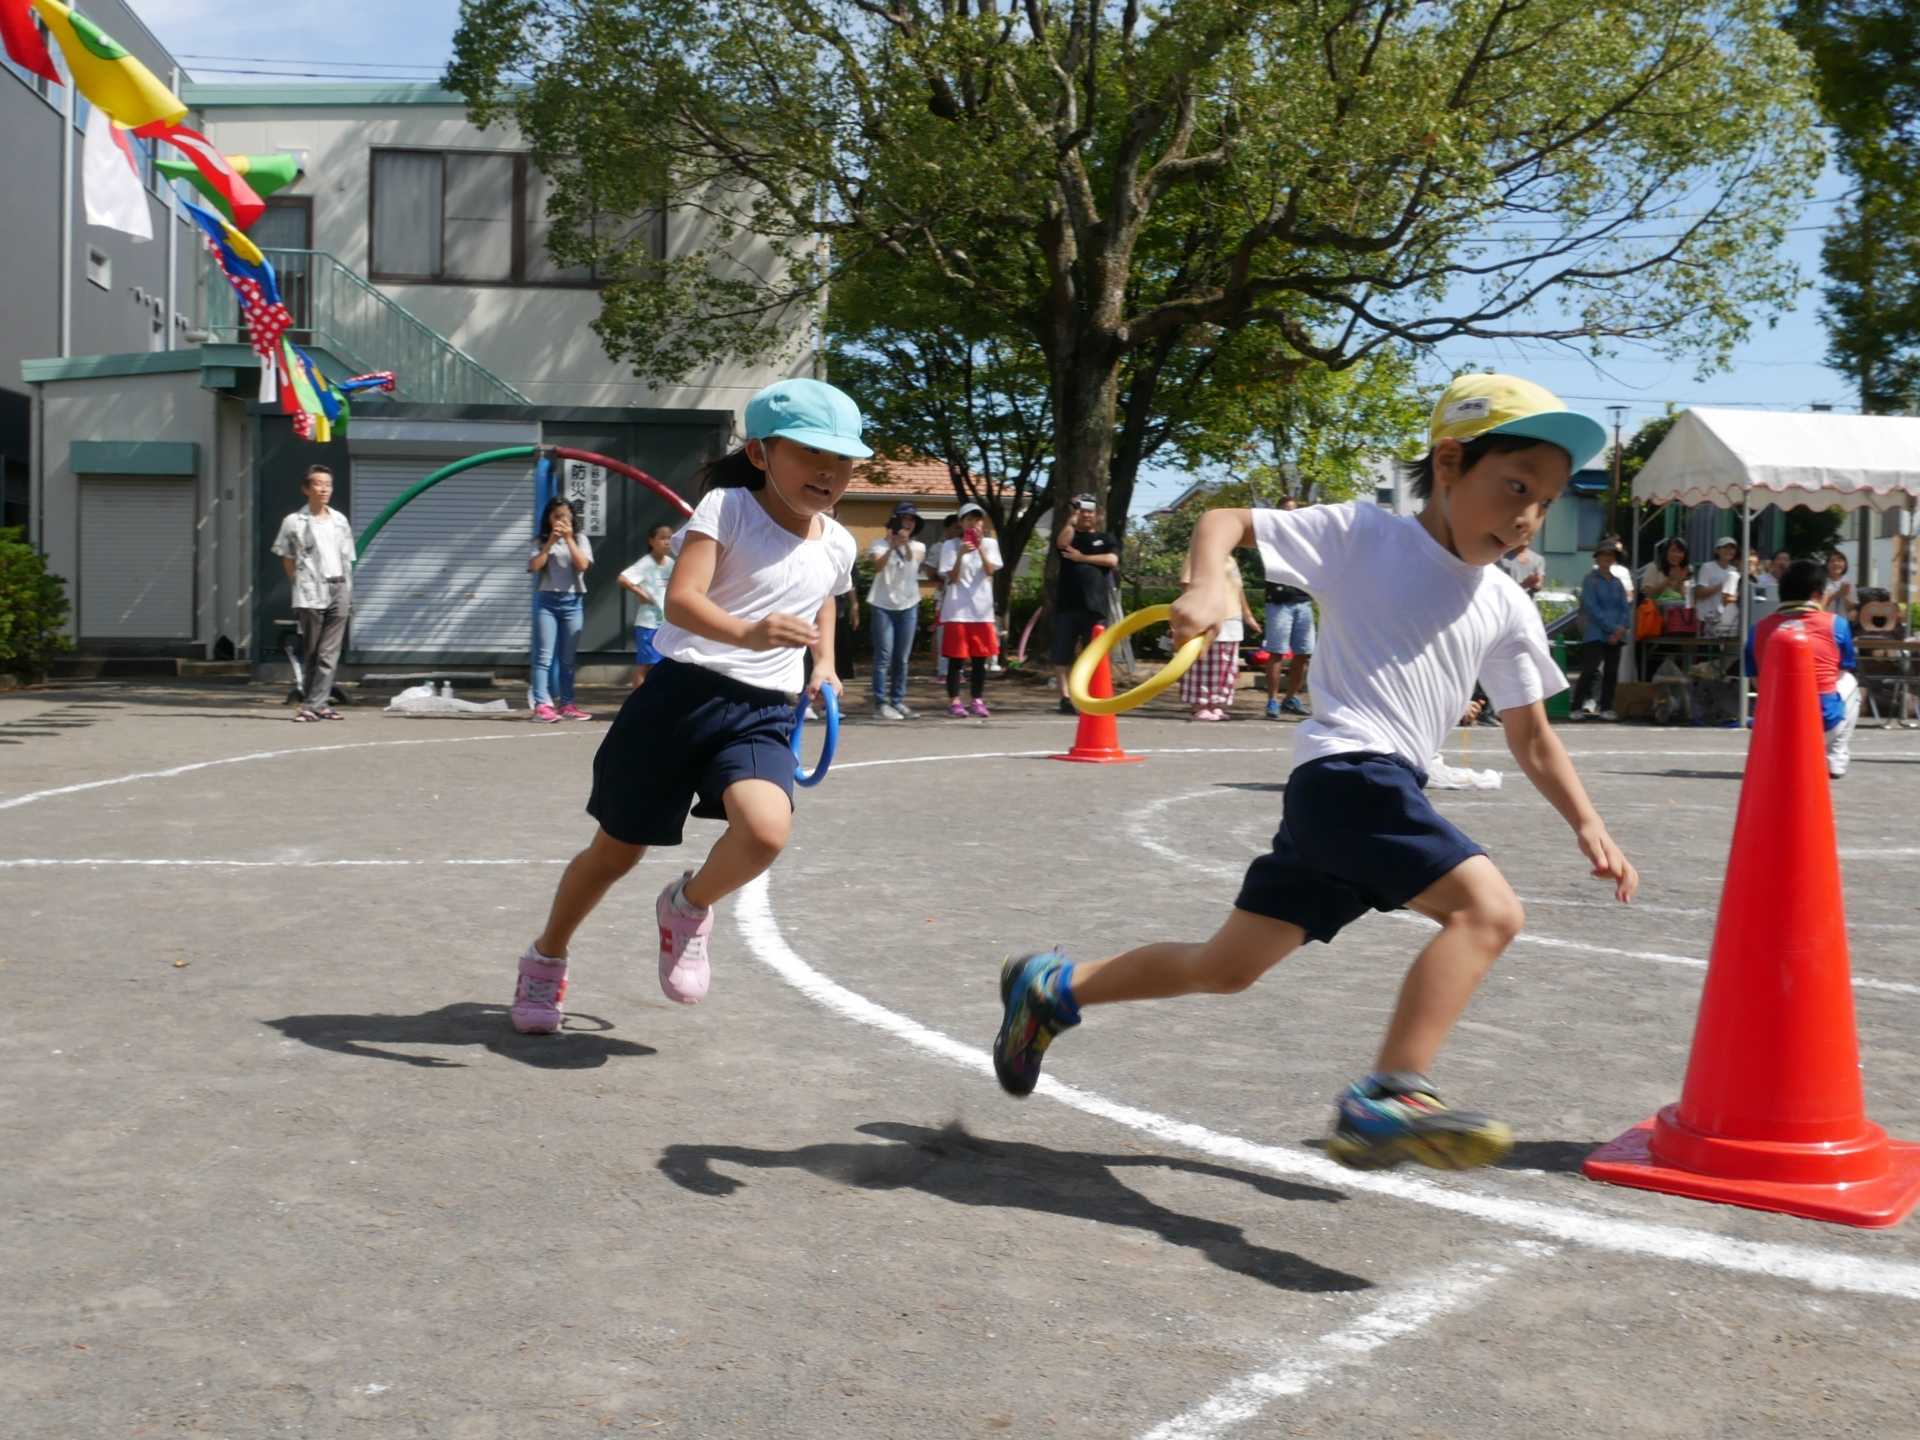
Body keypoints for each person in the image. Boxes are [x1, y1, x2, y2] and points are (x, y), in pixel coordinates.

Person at [988, 372, 1638, 1171]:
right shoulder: (1367, 536)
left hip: (1360, 796)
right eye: (1513, 486)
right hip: (1349, 773)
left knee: (1224, 969)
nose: (1527, 517)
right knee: (1490, 912)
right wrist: (1205, 582)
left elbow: (1532, 735)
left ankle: (1055, 987)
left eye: (1545, 501)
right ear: (1447, 463)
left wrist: (1587, 820)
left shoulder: (1504, 605)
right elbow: (1225, 519)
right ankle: (1390, 1093)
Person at [509, 378, 865, 1034]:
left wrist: (822, 663)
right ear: (761, 454)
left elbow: (825, 596)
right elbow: (682, 602)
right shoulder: (728, 508)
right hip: (681, 698)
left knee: (764, 832)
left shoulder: (838, 540)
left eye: (844, 459)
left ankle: (687, 904)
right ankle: (546, 956)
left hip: (765, 709)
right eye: (812, 453)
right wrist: (749, 632)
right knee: (615, 854)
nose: (830, 471)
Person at [1748, 558, 1861, 780]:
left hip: (1774, 727)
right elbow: (1845, 666)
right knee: (1850, 681)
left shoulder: (1758, 629)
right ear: (1819, 594)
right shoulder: (1836, 624)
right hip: (1821, 724)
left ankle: (1778, 753)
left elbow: (1755, 679)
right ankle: (1835, 758)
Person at [272, 465, 355, 723]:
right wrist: (299, 582)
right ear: (306, 489)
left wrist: (347, 590)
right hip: (310, 591)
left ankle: (314, 704)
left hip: (338, 586)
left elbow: (348, 557)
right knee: (313, 650)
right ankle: (315, 704)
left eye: (328, 484)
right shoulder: (294, 521)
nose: (324, 489)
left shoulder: (340, 520)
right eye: (318, 484)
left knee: (330, 652)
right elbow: (286, 556)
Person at [1051, 495, 1121, 715]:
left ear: (1097, 515)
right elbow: (1061, 544)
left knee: (1094, 653)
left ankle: (1092, 695)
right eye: (1082, 511)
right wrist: (1071, 518)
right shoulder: (1070, 537)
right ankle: (1065, 697)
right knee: (1062, 653)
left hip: (1095, 606)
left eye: (1090, 511)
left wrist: (1082, 558)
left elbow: (1112, 560)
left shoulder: (1106, 538)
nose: (1086, 515)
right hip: (1067, 605)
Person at [528, 496, 595, 723]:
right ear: (548, 518)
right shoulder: (540, 540)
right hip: (547, 601)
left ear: (571, 519)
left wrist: (568, 539)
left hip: (573, 602)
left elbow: (583, 565)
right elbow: (534, 566)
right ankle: (542, 705)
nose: (561, 521)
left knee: (567, 659)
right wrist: (549, 543)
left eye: (565, 517)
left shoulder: (580, 539)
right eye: (556, 516)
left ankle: (567, 704)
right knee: (544, 657)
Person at [938, 501, 1002, 717]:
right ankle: (955, 700)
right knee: (956, 660)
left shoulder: (991, 544)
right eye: (968, 519)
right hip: (957, 610)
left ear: (982, 523)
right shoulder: (950, 545)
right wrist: (961, 554)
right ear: (962, 522)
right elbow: (952, 578)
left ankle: (977, 699)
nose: (973, 523)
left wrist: (980, 548)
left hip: (982, 611)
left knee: (979, 660)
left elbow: (991, 571)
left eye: (977, 519)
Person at [1179, 551, 1259, 720]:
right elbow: (1186, 585)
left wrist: (1248, 615)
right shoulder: (1197, 554)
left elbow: (1239, 590)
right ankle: (1199, 704)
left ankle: (1216, 703)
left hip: (1232, 617)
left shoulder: (1231, 560)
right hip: (1207, 615)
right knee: (1203, 663)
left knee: (1225, 665)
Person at [866, 501, 926, 719]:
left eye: (911, 520)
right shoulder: (878, 544)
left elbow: (913, 560)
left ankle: (897, 701)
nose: (907, 523)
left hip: (908, 605)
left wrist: (904, 543)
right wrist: (892, 546)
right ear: (895, 521)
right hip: (883, 605)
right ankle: (880, 704)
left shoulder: (918, 546)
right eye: (904, 519)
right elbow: (877, 567)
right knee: (883, 656)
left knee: (902, 658)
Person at [1262, 501, 1317, 719]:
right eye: (1286, 510)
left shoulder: (1306, 539)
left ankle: (1291, 698)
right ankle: (1272, 700)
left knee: (1304, 653)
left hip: (1303, 602)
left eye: (1295, 510)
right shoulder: (1271, 538)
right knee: (1276, 652)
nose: (1291, 514)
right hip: (1279, 603)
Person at [1568, 537, 1631, 720]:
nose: (1607, 558)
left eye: (1611, 555)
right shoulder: (1590, 580)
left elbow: (1624, 607)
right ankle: (1576, 706)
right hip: (1595, 631)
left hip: (1615, 633)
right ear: (1596, 558)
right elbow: (1591, 607)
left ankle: (1606, 707)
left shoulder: (1617, 582)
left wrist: (1622, 627)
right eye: (1604, 554)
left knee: (1611, 672)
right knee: (1589, 670)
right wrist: (1613, 628)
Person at [617, 522, 675, 688]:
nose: (667, 542)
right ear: (651, 541)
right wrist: (641, 593)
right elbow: (623, 579)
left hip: (666, 623)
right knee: (646, 664)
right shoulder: (645, 563)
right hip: (648, 623)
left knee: (663, 664)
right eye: (662, 538)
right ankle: (638, 700)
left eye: (669, 538)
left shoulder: (671, 563)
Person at [927, 515, 961, 685]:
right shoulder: (939, 547)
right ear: (947, 529)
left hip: (963, 598)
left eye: (960, 527)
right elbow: (930, 569)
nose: (959, 531)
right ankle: (942, 669)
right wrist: (940, 583)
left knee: (959, 634)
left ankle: (957, 669)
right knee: (942, 633)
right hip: (945, 596)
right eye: (955, 527)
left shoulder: (967, 547)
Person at [1694, 537, 1742, 638]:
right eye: (1725, 547)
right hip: (1706, 619)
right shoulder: (1707, 567)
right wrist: (1722, 584)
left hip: (1725, 621)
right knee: (1704, 651)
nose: (1729, 551)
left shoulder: (1734, 570)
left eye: (1732, 548)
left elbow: (1732, 597)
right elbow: (1699, 593)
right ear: (1717, 550)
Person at [1822, 549, 1856, 619]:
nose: (1836, 563)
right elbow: (1820, 605)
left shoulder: (1848, 582)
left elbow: (1851, 609)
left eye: (1840, 561)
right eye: (1832, 561)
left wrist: (1845, 595)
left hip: (1842, 622)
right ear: (1827, 564)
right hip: (1826, 622)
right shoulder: (1822, 582)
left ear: (1845, 564)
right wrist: (1838, 593)